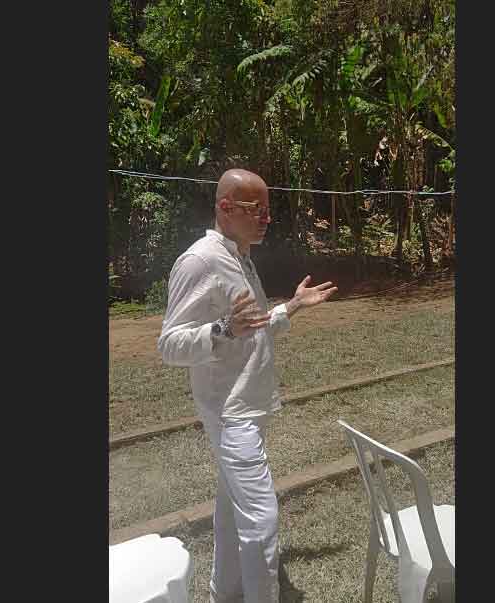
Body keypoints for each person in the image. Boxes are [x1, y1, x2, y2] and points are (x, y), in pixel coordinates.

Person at [158, 168, 337, 602]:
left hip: (248, 406)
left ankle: (226, 592)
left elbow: (250, 328)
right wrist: (222, 328)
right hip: (230, 412)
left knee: (230, 511)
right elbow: (169, 344)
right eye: (256, 209)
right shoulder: (200, 260)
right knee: (261, 518)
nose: (266, 218)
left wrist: (291, 306)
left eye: (268, 210)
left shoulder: (240, 257)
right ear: (225, 207)